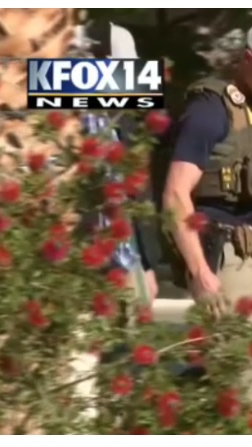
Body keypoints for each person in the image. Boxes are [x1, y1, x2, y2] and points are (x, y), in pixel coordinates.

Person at [162, 19, 252, 316]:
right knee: (231, 346)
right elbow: (175, 194)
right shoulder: (210, 110)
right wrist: (199, 270)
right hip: (227, 260)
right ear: (248, 59)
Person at [82, 21, 160, 305]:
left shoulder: (124, 124)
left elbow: (136, 195)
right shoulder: (74, 123)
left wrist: (147, 265)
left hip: (128, 260)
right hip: (87, 262)